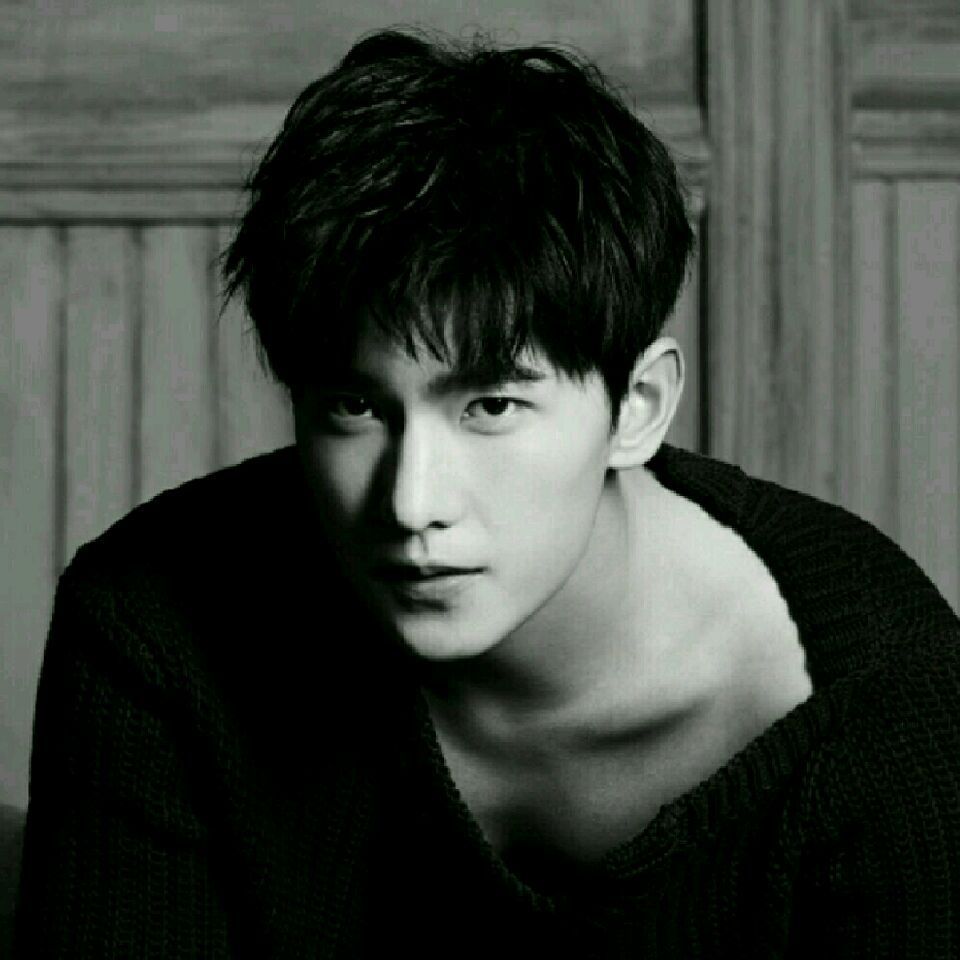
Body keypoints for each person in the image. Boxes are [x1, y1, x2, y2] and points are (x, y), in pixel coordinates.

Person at [14, 27, 960, 959]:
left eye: (492, 406)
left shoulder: (877, 704)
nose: (411, 502)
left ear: (637, 408)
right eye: (355, 406)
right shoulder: (154, 626)